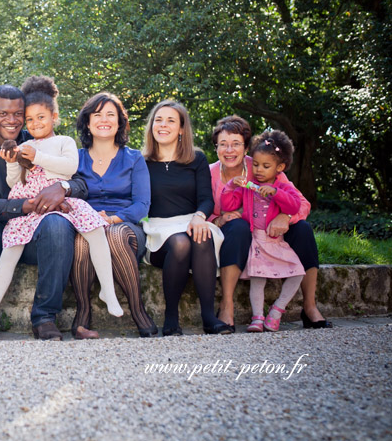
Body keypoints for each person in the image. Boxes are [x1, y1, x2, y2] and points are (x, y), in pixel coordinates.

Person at [0, 78, 123, 340]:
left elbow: (69, 168)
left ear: (54, 116)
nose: (35, 124)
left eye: (41, 117)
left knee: (96, 231)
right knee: (9, 252)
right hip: (30, 205)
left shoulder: (64, 141)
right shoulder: (23, 145)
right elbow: (14, 183)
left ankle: (107, 291)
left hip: (58, 199)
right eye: (29, 120)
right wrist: (13, 162)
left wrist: (37, 157)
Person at [0, 83, 88, 341]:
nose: (12, 120)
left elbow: (80, 182)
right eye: (3, 113)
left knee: (57, 224)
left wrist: (62, 187)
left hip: (37, 236)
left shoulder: (41, 142)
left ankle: (44, 317)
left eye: (18, 113)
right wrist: (23, 206)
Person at [208, 115, 331, 329]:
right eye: (223, 144)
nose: (229, 150)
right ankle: (226, 305)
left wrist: (286, 216)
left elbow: (301, 202)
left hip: (271, 233)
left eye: (236, 144)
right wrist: (218, 218)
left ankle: (310, 306)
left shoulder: (262, 164)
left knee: (303, 229)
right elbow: (199, 208)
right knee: (238, 227)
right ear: (216, 147)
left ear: (246, 148)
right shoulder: (208, 173)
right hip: (234, 235)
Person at [70, 93, 157, 339]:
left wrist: (111, 220)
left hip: (126, 227)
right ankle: (83, 314)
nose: (104, 120)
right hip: (87, 226)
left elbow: (142, 205)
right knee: (81, 241)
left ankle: (138, 311)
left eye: (110, 114)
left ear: (120, 122)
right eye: (97, 115)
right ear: (87, 123)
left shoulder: (133, 158)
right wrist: (90, 219)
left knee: (115, 236)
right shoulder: (75, 158)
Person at [142, 100, 230, 336]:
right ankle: (171, 317)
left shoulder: (197, 159)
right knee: (180, 243)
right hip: (159, 230)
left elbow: (206, 199)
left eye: (171, 120)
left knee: (201, 237)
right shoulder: (141, 162)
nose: (163, 125)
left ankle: (209, 318)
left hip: (193, 221)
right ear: (151, 126)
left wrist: (200, 217)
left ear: (181, 128)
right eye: (158, 120)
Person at [221, 130, 305, 332]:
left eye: (266, 166)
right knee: (257, 281)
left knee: (297, 273)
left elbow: (294, 206)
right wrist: (232, 186)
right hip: (257, 242)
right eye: (256, 165)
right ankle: (257, 317)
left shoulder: (283, 188)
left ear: (280, 168)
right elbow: (228, 204)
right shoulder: (249, 187)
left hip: (276, 242)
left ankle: (276, 311)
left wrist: (277, 194)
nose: (258, 170)